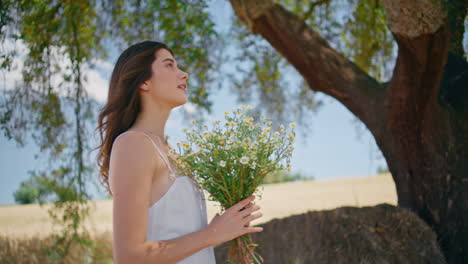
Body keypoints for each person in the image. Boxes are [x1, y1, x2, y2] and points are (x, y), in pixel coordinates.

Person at [95, 40, 263, 264]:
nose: (183, 74)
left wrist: (230, 226)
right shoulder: (133, 144)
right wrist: (212, 234)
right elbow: (129, 257)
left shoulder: (170, 151)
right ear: (144, 81)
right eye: (169, 65)